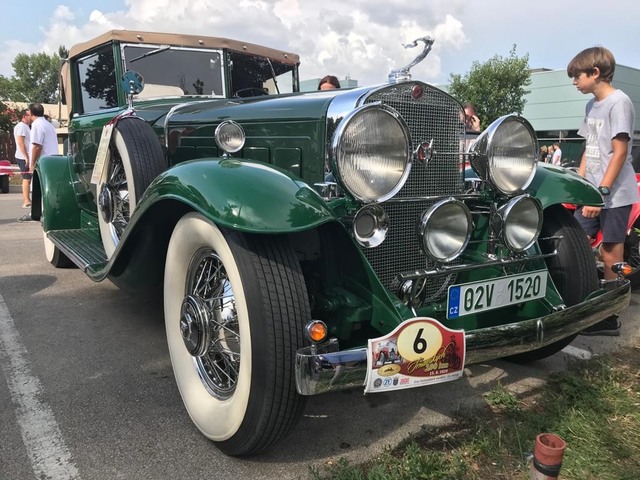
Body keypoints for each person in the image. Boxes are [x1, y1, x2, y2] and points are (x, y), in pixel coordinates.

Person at [567, 46, 639, 335]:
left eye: (577, 76)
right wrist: (580, 184)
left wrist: (601, 193)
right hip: (592, 192)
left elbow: (619, 153)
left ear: (595, 73)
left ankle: (608, 317)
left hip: (615, 194)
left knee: (610, 251)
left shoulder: (619, 103)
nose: (574, 82)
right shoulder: (590, 106)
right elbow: (590, 148)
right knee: (575, 242)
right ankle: (581, 301)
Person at [18, 103, 59, 222]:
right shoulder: (47, 124)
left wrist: (32, 164)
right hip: (52, 159)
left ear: (31, 113)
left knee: (39, 188)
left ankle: (38, 213)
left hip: (44, 161)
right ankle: (41, 212)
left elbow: (37, 146)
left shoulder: (37, 125)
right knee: (46, 187)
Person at [13, 109, 33, 208]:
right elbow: (21, 142)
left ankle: (28, 199)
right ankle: (26, 200)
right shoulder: (21, 126)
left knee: (28, 178)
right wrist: (26, 157)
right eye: (30, 115)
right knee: (26, 178)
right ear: (24, 116)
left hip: (27, 156)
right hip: (23, 157)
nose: (32, 117)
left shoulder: (26, 127)